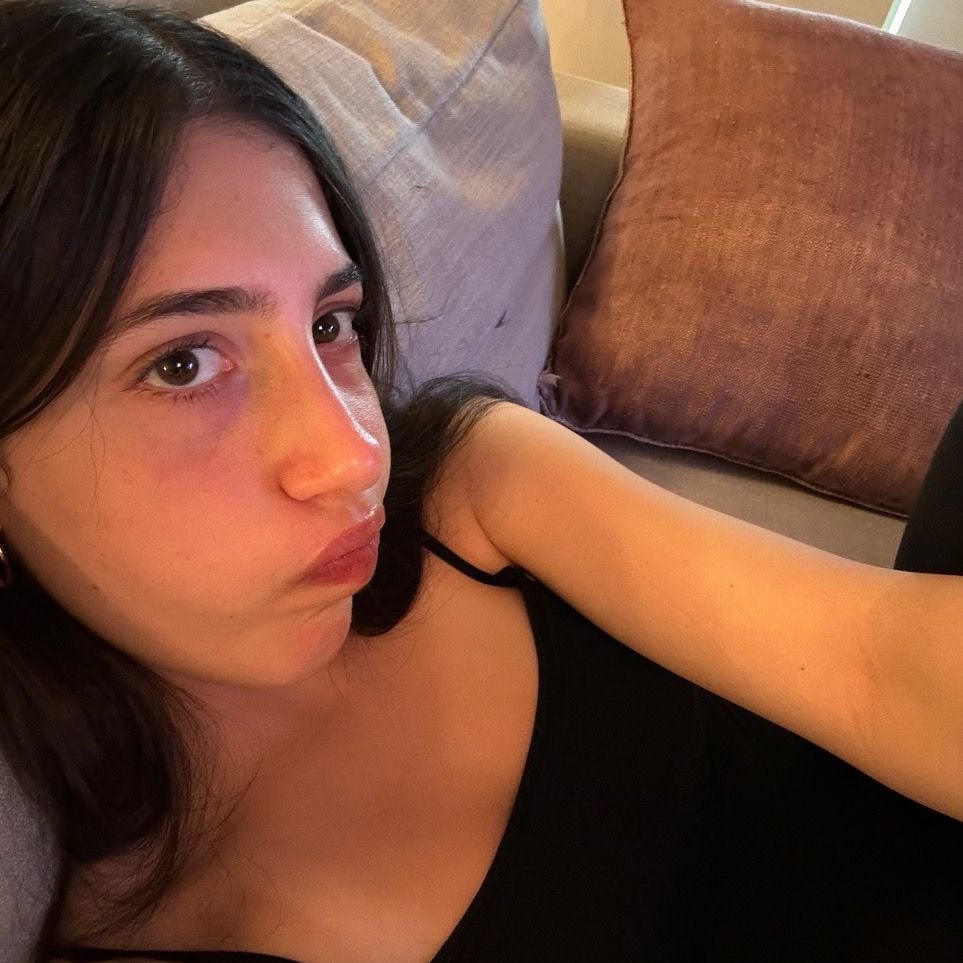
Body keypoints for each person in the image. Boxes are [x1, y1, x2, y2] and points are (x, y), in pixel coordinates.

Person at [0, 1, 960, 960]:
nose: (357, 456)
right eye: (182, 364)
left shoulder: (462, 486)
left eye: (329, 325)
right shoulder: (146, 929)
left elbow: (875, 666)